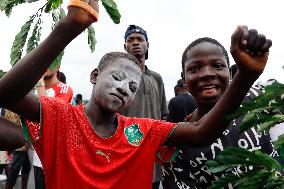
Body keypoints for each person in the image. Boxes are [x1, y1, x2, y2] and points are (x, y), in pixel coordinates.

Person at [0, 0, 272, 188]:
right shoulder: (59, 116)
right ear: (94, 76)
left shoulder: (142, 131)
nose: (123, 88)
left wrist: (245, 77)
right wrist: (70, 26)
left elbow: (201, 131)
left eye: (132, 87)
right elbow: (7, 94)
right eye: (118, 78)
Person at [162, 37, 277, 188]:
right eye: (194, 69)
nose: (207, 74)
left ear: (229, 72)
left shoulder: (259, 97)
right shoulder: (180, 144)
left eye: (217, 66)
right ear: (184, 77)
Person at [121, 24, 168, 188]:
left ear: (147, 45)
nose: (135, 42)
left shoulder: (157, 78)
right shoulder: (118, 77)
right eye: (130, 40)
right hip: (124, 158)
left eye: (140, 39)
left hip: (152, 160)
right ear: (124, 46)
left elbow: (163, 116)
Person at [33, 68, 73, 189]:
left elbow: (48, 112)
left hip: (56, 160)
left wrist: (39, 83)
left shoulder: (64, 89)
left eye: (49, 61)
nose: (44, 65)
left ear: (57, 66)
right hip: (38, 158)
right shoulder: (36, 91)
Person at [3, 110, 31, 189]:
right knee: (14, 169)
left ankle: (24, 187)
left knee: (26, 167)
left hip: (17, 139)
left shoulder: (9, 105)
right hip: (19, 140)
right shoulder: (16, 105)